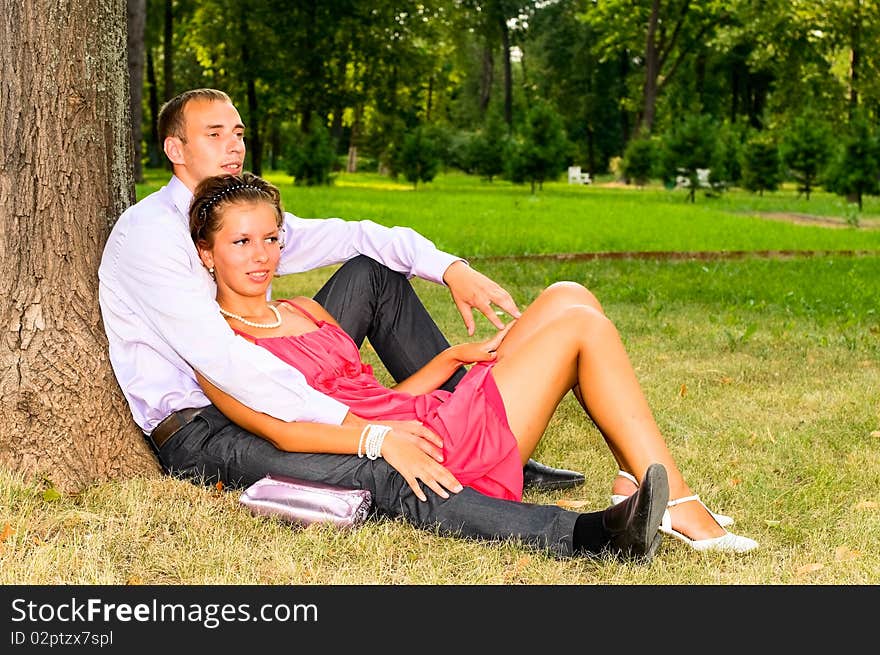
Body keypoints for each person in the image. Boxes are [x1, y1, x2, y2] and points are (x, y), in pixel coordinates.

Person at [99, 87, 673, 562]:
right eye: (213, 135)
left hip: (265, 358)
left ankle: (475, 433)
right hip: (203, 423)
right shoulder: (152, 233)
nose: (233, 146)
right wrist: (366, 430)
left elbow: (358, 234)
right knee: (381, 472)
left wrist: (449, 269)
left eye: (239, 132)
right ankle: (591, 538)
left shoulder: (238, 214)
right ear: (175, 148)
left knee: (371, 273)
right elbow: (221, 360)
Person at [187, 172, 759, 554]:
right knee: (584, 329)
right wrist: (381, 442)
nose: (261, 256)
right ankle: (680, 506)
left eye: (270, 238)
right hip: (428, 449)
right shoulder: (220, 346)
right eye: (241, 243)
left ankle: (632, 478)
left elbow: (371, 388)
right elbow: (282, 434)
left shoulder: (304, 308)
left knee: (568, 294)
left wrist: (453, 358)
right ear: (207, 254)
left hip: (425, 411)